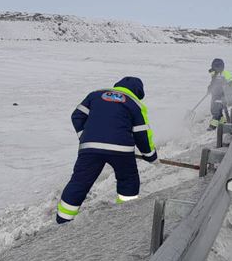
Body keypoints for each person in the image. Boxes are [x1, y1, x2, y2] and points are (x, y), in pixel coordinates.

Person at [56, 77, 157, 224]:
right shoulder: (135, 104)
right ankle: (125, 215)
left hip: (90, 149)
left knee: (79, 182)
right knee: (128, 180)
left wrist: (84, 137)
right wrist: (150, 156)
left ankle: (63, 220)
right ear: (138, 92)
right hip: (121, 150)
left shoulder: (95, 95)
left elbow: (77, 116)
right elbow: (141, 134)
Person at [207, 58, 232, 131]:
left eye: (217, 67)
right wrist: (209, 88)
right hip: (215, 95)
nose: (215, 69)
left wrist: (230, 83)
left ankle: (212, 126)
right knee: (213, 109)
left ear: (221, 67)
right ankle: (222, 122)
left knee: (216, 110)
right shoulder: (214, 74)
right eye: (214, 67)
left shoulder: (225, 73)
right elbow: (213, 83)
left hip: (223, 95)